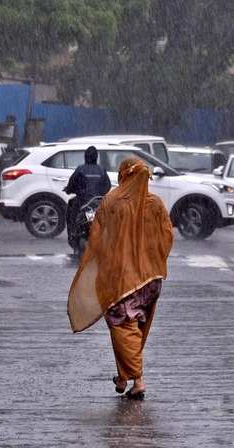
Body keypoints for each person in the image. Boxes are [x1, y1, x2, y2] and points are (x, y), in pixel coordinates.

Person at [68, 158, 174, 400]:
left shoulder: (113, 202)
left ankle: (137, 380)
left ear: (124, 176)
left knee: (122, 326)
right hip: (150, 279)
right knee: (133, 328)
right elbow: (167, 236)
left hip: (122, 278)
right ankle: (124, 377)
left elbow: (98, 237)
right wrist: (153, 260)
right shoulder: (155, 204)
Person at [64, 146, 111, 251]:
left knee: (71, 206)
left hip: (83, 202)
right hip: (98, 202)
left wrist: (69, 190)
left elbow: (71, 184)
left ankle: (72, 232)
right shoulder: (102, 169)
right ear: (96, 157)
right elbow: (107, 186)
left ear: (85, 157)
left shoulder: (80, 169)